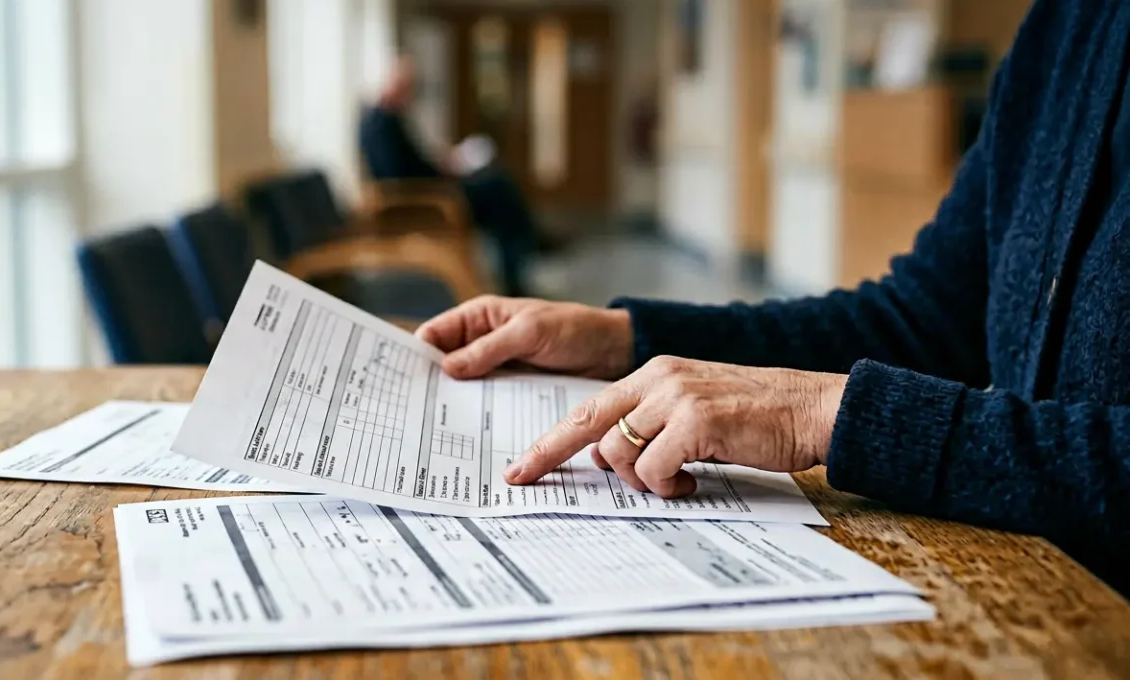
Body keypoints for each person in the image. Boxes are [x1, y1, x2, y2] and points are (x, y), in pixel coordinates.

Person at [416, 0, 1130, 596]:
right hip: (1029, 583)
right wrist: (621, 338)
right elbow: (921, 319)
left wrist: (829, 417)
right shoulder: (1067, 24)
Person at [359, 57, 541, 297]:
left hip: (433, 190)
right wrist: (442, 170)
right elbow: (398, 176)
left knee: (497, 184)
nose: (411, 92)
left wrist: (441, 163)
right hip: (423, 200)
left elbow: (411, 165)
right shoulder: (380, 123)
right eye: (406, 85)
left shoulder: (389, 117)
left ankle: (523, 248)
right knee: (498, 188)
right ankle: (525, 249)